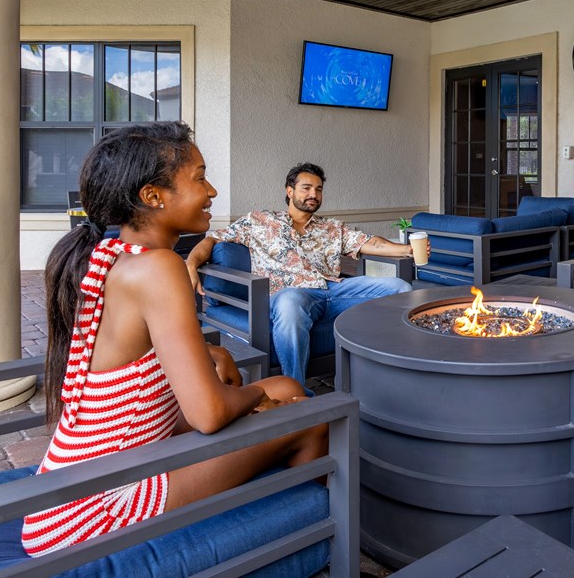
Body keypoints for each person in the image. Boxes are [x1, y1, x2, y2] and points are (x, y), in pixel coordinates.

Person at [22, 122, 326, 557]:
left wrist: (210, 354)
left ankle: (294, 520)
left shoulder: (117, 255)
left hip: (97, 471)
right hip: (95, 507)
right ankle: (307, 540)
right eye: (200, 177)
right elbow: (209, 413)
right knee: (308, 413)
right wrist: (259, 395)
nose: (213, 191)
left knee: (290, 387)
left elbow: (134, 348)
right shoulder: (160, 267)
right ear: (153, 196)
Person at [186, 163, 423, 390]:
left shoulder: (331, 227)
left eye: (318, 189)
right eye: (306, 188)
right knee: (290, 302)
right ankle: (296, 390)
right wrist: (191, 263)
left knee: (400, 288)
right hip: (289, 294)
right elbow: (212, 239)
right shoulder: (259, 221)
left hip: (333, 291)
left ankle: (397, 371)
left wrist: (407, 250)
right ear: (290, 191)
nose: (314, 194)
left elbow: (368, 243)